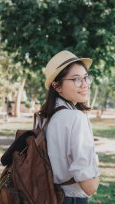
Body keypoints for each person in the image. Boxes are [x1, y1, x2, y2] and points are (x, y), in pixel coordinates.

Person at [37, 50, 100, 204]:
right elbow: (89, 186)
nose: (85, 84)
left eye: (86, 77)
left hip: (46, 195)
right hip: (71, 199)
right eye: (76, 79)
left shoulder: (44, 118)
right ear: (57, 86)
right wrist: (96, 166)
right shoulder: (76, 118)